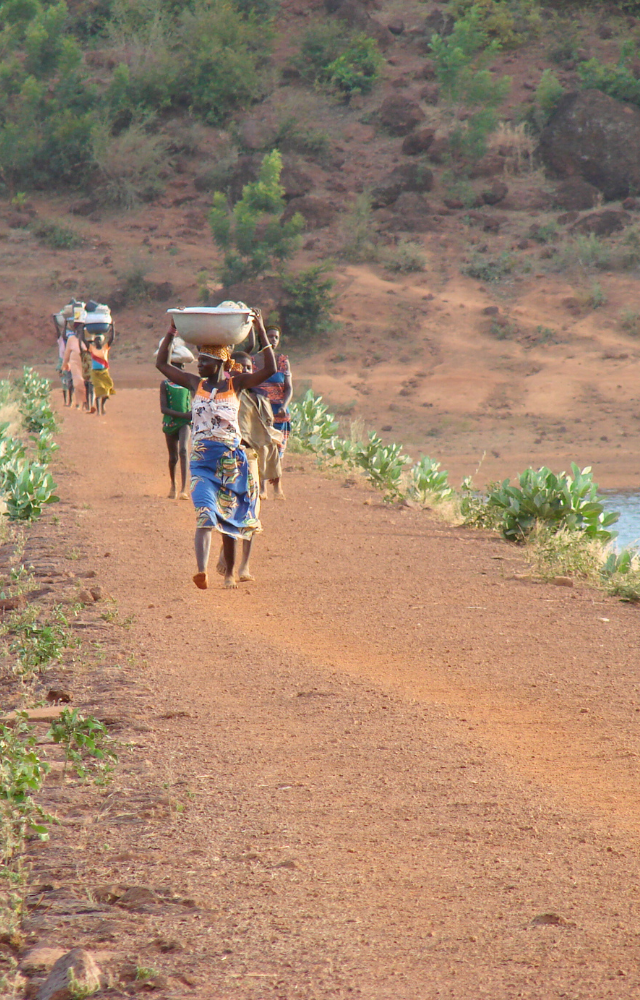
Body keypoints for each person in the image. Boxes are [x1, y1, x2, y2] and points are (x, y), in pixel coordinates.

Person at [155, 311, 276, 590]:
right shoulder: (193, 384)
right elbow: (161, 363)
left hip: (230, 461)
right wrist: (171, 332)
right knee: (205, 515)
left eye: (205, 361)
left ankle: (230, 574)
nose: (199, 365)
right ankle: (201, 571)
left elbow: (268, 370)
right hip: (200, 460)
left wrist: (258, 328)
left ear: (220, 361)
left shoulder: (236, 385)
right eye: (199, 361)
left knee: (230, 521)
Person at [246, 323, 292, 500]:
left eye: (276, 337)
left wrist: (283, 405)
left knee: (278, 451)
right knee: (261, 448)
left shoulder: (282, 361)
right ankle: (262, 488)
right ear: (262, 338)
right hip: (259, 411)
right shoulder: (251, 360)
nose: (273, 340)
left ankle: (277, 487)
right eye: (270, 336)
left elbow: (289, 388)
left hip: (279, 412)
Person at [159, 334, 194, 500]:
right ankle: (173, 485)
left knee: (184, 450)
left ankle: (183, 489)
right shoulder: (165, 384)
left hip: (185, 423)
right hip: (171, 421)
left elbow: (196, 401)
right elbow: (163, 408)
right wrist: (184, 415)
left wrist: (190, 416)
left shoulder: (188, 384)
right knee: (172, 457)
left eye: (180, 367)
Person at [62, 322, 87, 410]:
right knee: (77, 383)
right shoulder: (71, 339)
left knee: (86, 384)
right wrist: (64, 365)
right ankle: (78, 402)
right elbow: (66, 353)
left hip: (86, 364)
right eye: (78, 330)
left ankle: (85, 402)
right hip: (75, 364)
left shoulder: (87, 340)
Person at [89, 333, 116, 416]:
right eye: (96, 340)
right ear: (94, 341)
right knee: (98, 390)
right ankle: (98, 411)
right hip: (95, 373)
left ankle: (102, 405)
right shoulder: (92, 348)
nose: (98, 341)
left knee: (107, 389)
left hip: (104, 372)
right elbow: (83, 340)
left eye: (99, 340)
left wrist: (112, 327)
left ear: (102, 341)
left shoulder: (105, 348)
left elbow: (112, 338)